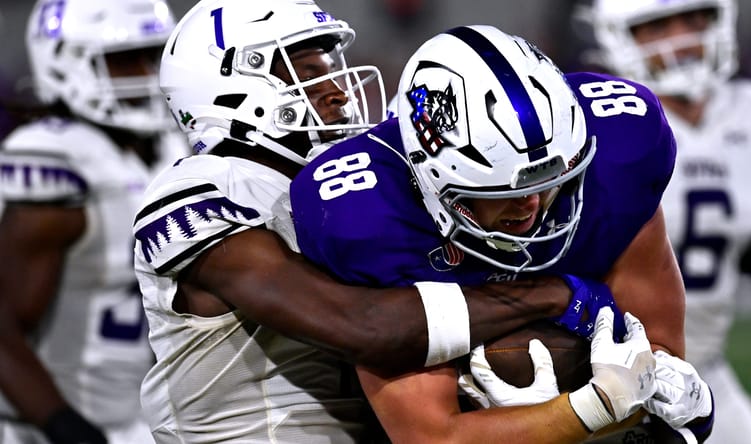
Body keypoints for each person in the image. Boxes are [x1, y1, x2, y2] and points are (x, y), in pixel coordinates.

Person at [132, 0, 623, 442]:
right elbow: (361, 327)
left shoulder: (348, 185)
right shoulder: (200, 191)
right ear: (228, 89)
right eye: (307, 72)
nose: (338, 92)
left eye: (332, 70)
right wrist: (556, 295)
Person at [289, 24, 713, 443]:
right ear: (429, 178)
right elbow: (431, 436)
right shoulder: (366, 214)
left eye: (551, 181)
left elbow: (660, 353)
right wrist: (586, 409)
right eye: (501, 192)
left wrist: (664, 397)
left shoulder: (621, 148)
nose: (530, 204)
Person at [589, 0, 751, 442]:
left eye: (695, 19)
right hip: (599, 380)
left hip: (703, 373)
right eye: (657, 25)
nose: (681, 37)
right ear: (619, 34)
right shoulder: (587, 123)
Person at [0, 1, 189, 443]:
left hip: (145, 422)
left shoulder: (172, 148)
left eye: (153, 56)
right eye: (124, 60)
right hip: (49, 426)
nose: (146, 74)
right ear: (65, 65)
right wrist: (65, 427)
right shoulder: (58, 159)